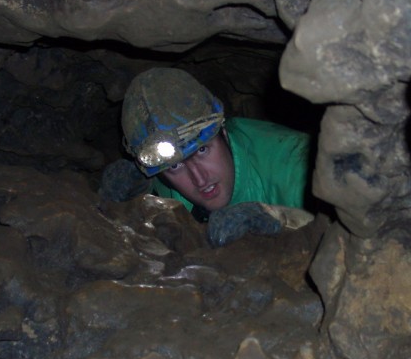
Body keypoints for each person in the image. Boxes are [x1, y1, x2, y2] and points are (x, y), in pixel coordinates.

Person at [99, 68, 314, 246]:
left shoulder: (298, 168)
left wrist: (280, 218)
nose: (199, 179)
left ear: (223, 132)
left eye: (202, 151)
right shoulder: (164, 173)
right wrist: (137, 193)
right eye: (176, 167)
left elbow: (343, 226)